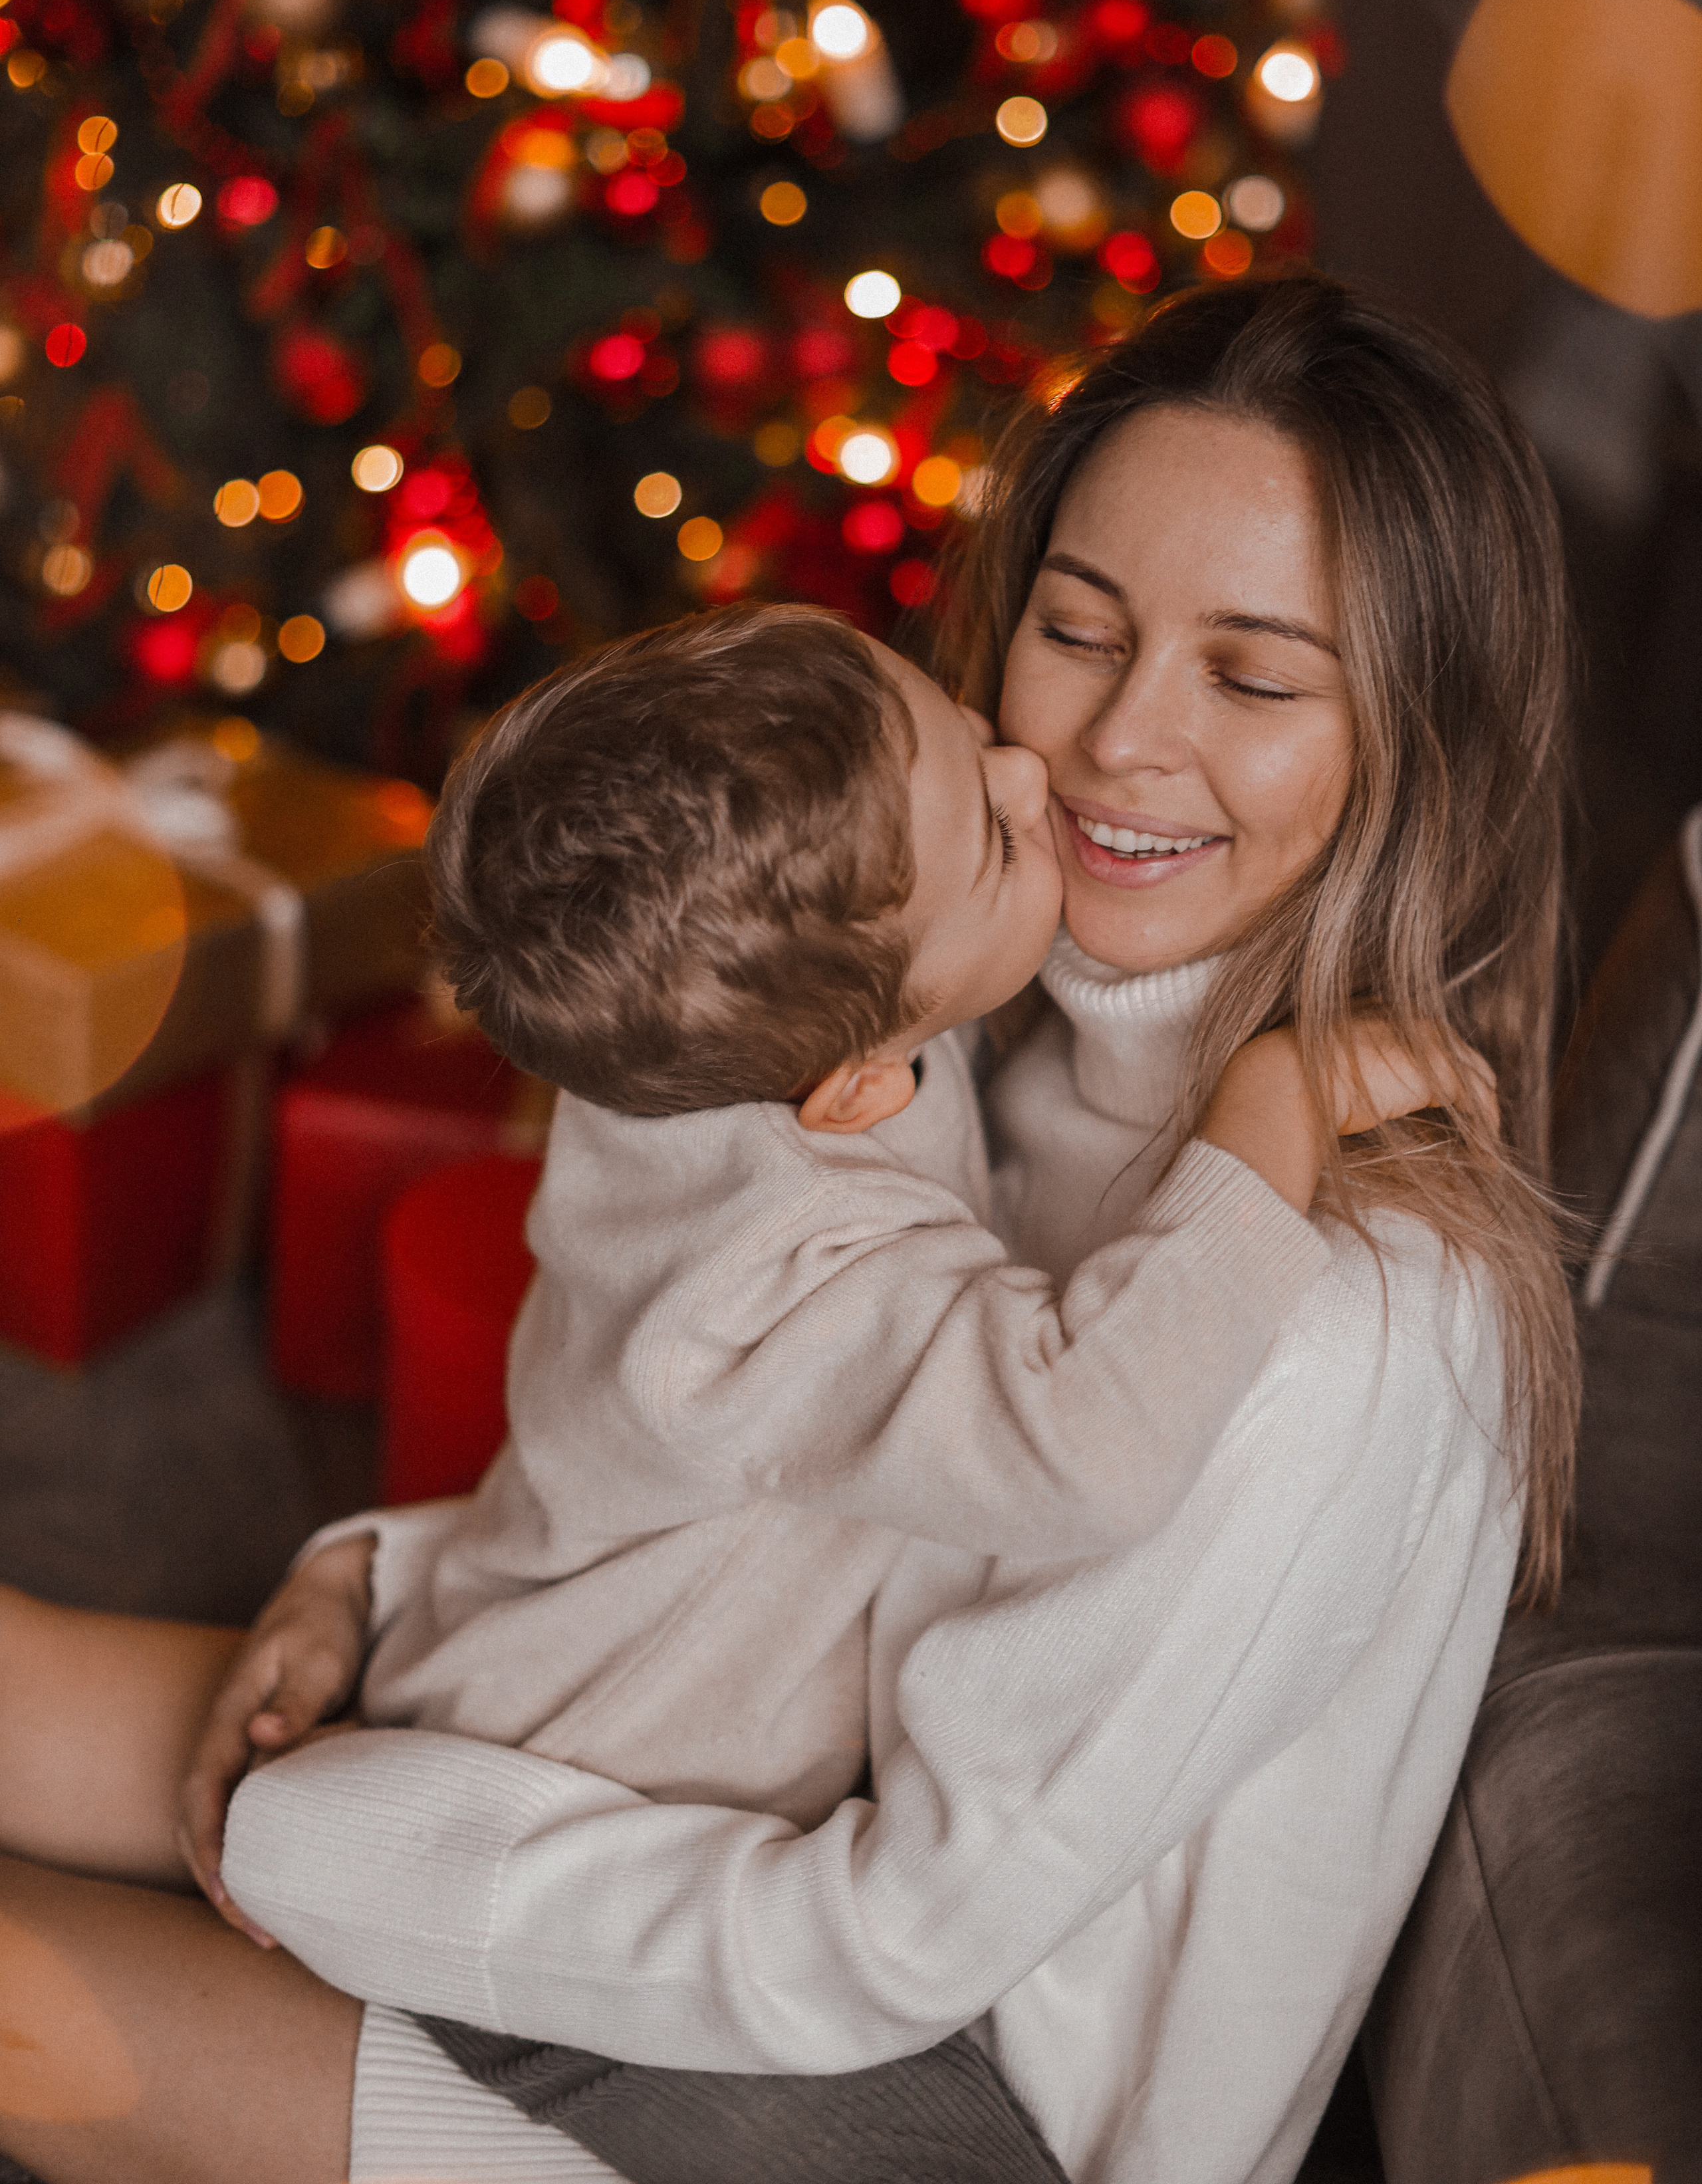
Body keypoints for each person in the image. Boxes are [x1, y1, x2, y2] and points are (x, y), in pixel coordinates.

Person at [0, 274, 1578, 2184]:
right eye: (1078, 632)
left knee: (32, 1998)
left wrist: (320, 1835)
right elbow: (756, 1459)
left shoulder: (1326, 1319)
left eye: (1251, 678)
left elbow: (876, 1946)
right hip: (711, 1802)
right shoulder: (951, 1025)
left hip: (900, 2099)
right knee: (58, 1683)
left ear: (1420, 744)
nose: (1102, 751)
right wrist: (376, 1585)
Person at [289, 600, 1447, 1847]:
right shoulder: (777, 1281)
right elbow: (1085, 1450)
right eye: (1000, 845)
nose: (1021, 771)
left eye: (958, 723)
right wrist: (1276, 1103)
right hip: (566, 1794)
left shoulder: (698, 1028)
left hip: (502, 1616)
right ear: (854, 1091)